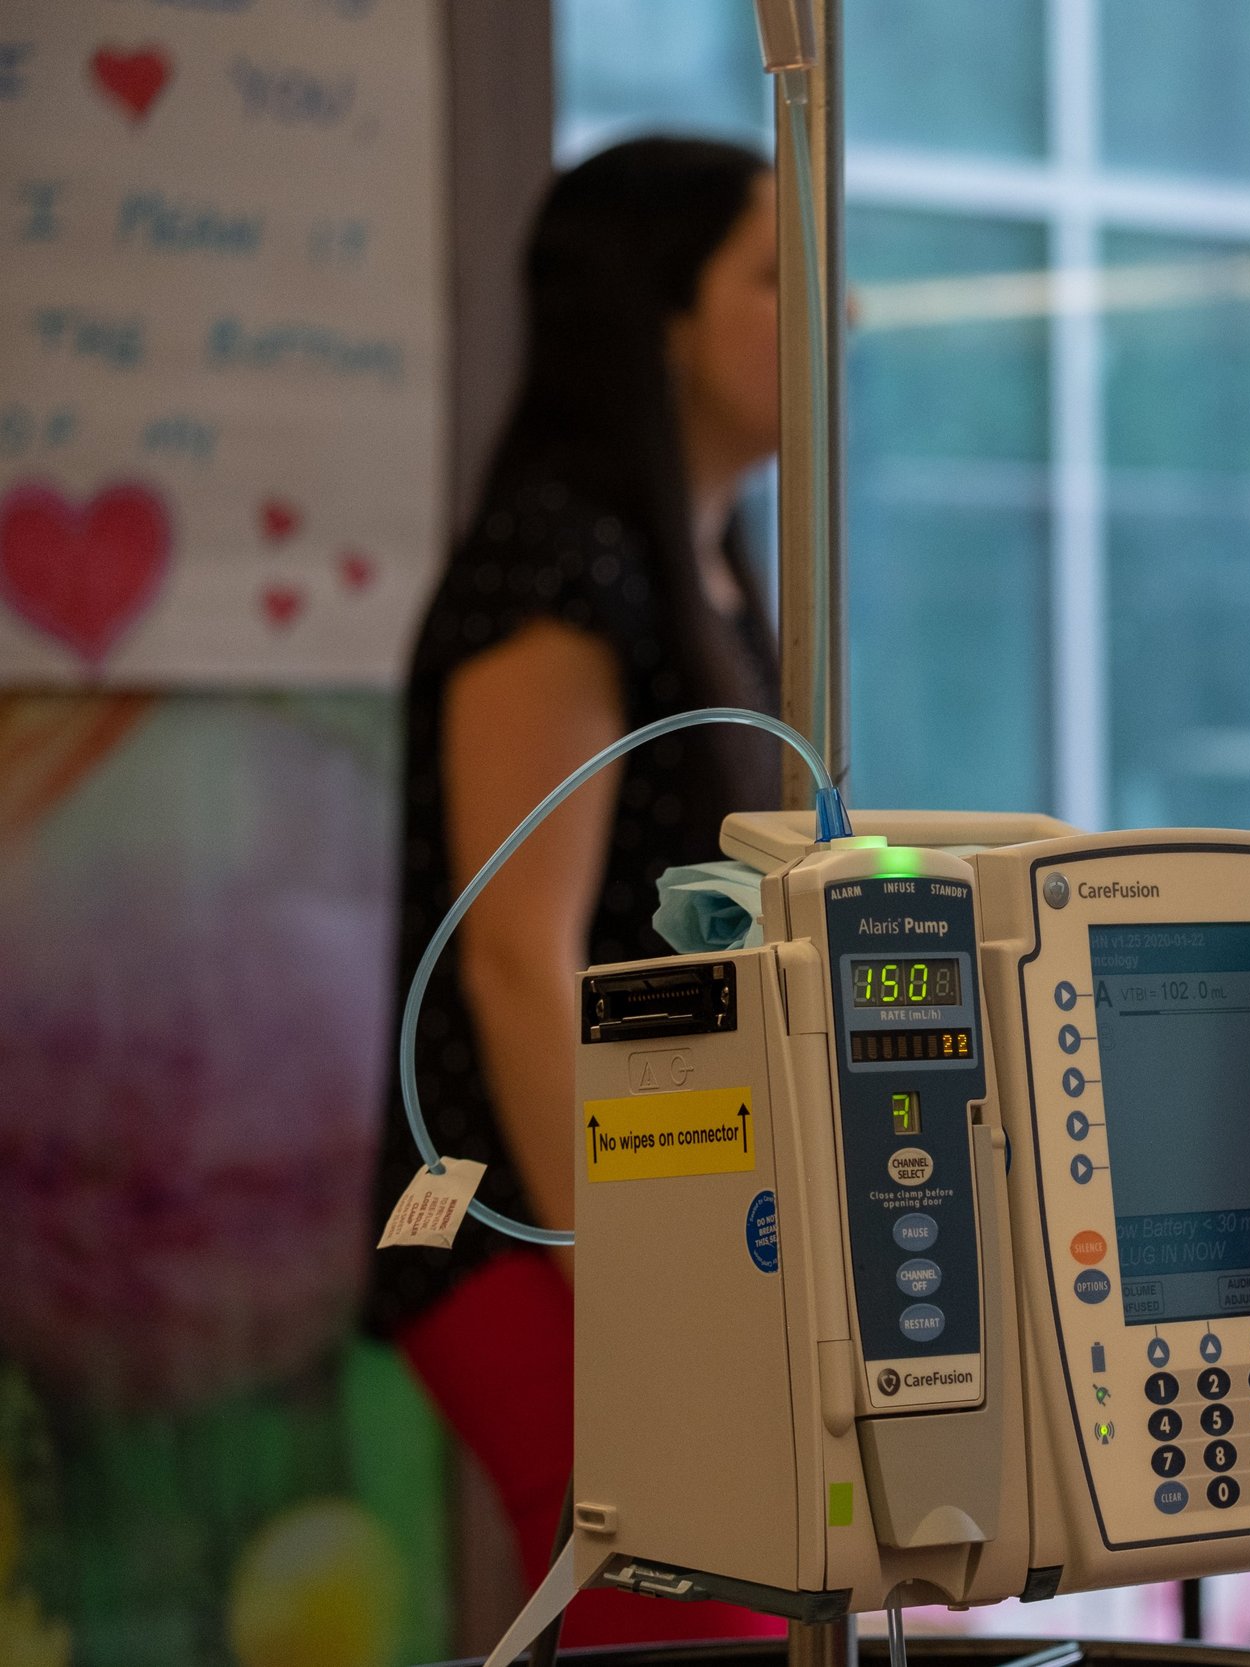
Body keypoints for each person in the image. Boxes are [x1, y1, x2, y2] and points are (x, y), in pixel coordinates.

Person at [366, 137, 785, 1645]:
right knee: (707, 1613)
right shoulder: (564, 564)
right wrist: (626, 1290)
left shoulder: (713, 567)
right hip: (523, 1221)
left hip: (658, 1214)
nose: (838, 312)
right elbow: (515, 963)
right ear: (662, 317)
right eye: (777, 275)